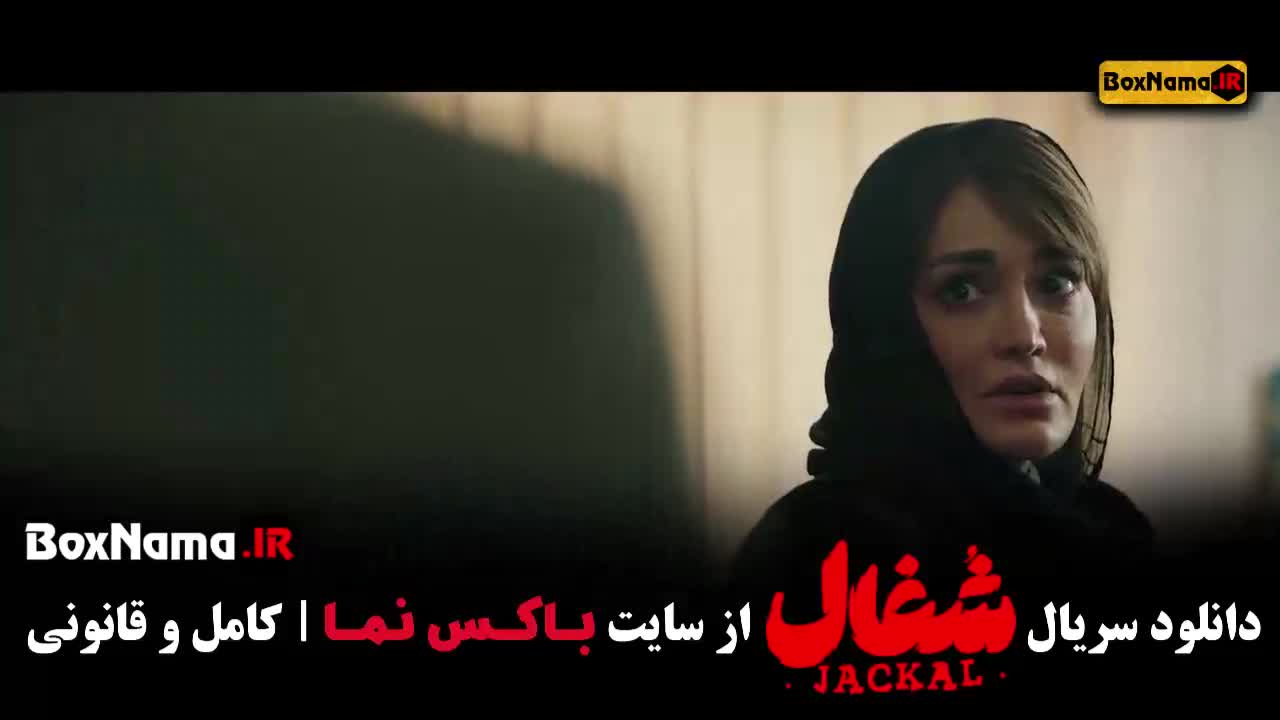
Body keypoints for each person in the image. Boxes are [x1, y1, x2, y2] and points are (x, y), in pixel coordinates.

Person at [729, 118, 1155, 629]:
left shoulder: (1111, 535)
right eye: (962, 290)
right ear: (887, 325)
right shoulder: (817, 558)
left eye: (1057, 282)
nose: (1025, 335)